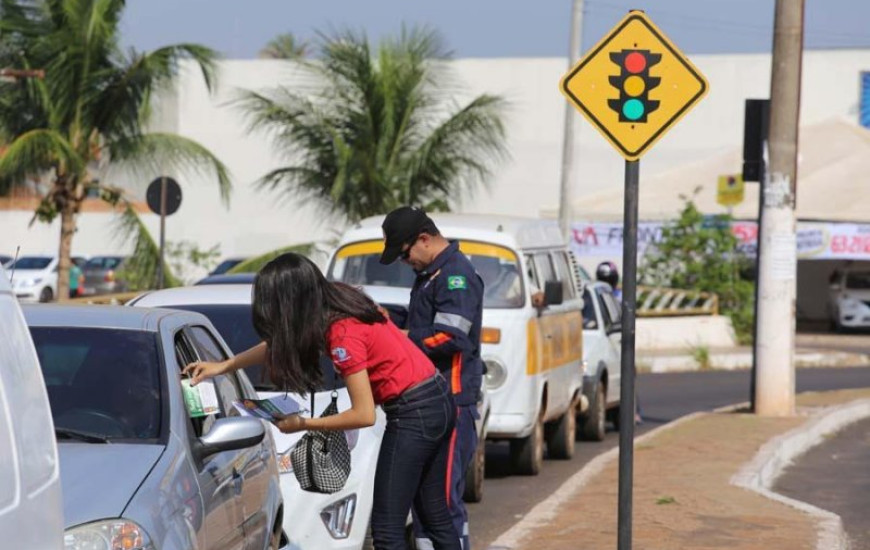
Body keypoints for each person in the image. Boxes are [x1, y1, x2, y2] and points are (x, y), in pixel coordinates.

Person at [183, 253, 461, 550]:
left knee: (387, 530)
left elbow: (364, 413)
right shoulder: (336, 301)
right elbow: (283, 342)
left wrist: (303, 424)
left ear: (290, 301)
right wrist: (224, 366)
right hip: (436, 398)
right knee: (435, 518)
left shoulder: (342, 332)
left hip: (414, 413)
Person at [380, 206, 483, 550]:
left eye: (405, 253)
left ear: (424, 239)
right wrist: (385, 319)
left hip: (453, 401)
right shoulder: (431, 275)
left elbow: (450, 337)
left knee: (442, 504)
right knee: (425, 506)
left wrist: (401, 337)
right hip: (432, 402)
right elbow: (420, 320)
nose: (404, 261)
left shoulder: (456, 275)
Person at [594, 260, 642, 424]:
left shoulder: (620, 296)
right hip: (605, 340)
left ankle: (633, 410)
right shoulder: (600, 294)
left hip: (618, 341)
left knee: (628, 374)